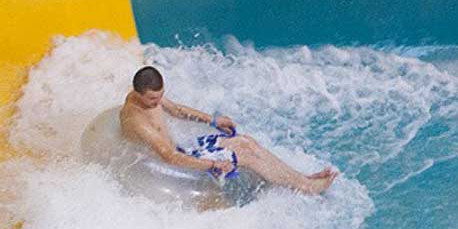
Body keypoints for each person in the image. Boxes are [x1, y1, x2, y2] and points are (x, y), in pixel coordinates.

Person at [119, 66, 337, 194]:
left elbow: (176, 110)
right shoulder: (137, 119)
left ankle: (303, 178)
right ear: (138, 93)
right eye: (152, 99)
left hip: (181, 149)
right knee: (244, 156)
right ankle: (307, 188)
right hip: (171, 161)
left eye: (160, 96)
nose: (157, 102)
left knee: (246, 142)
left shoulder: (151, 96)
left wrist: (213, 120)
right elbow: (168, 156)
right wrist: (213, 164)